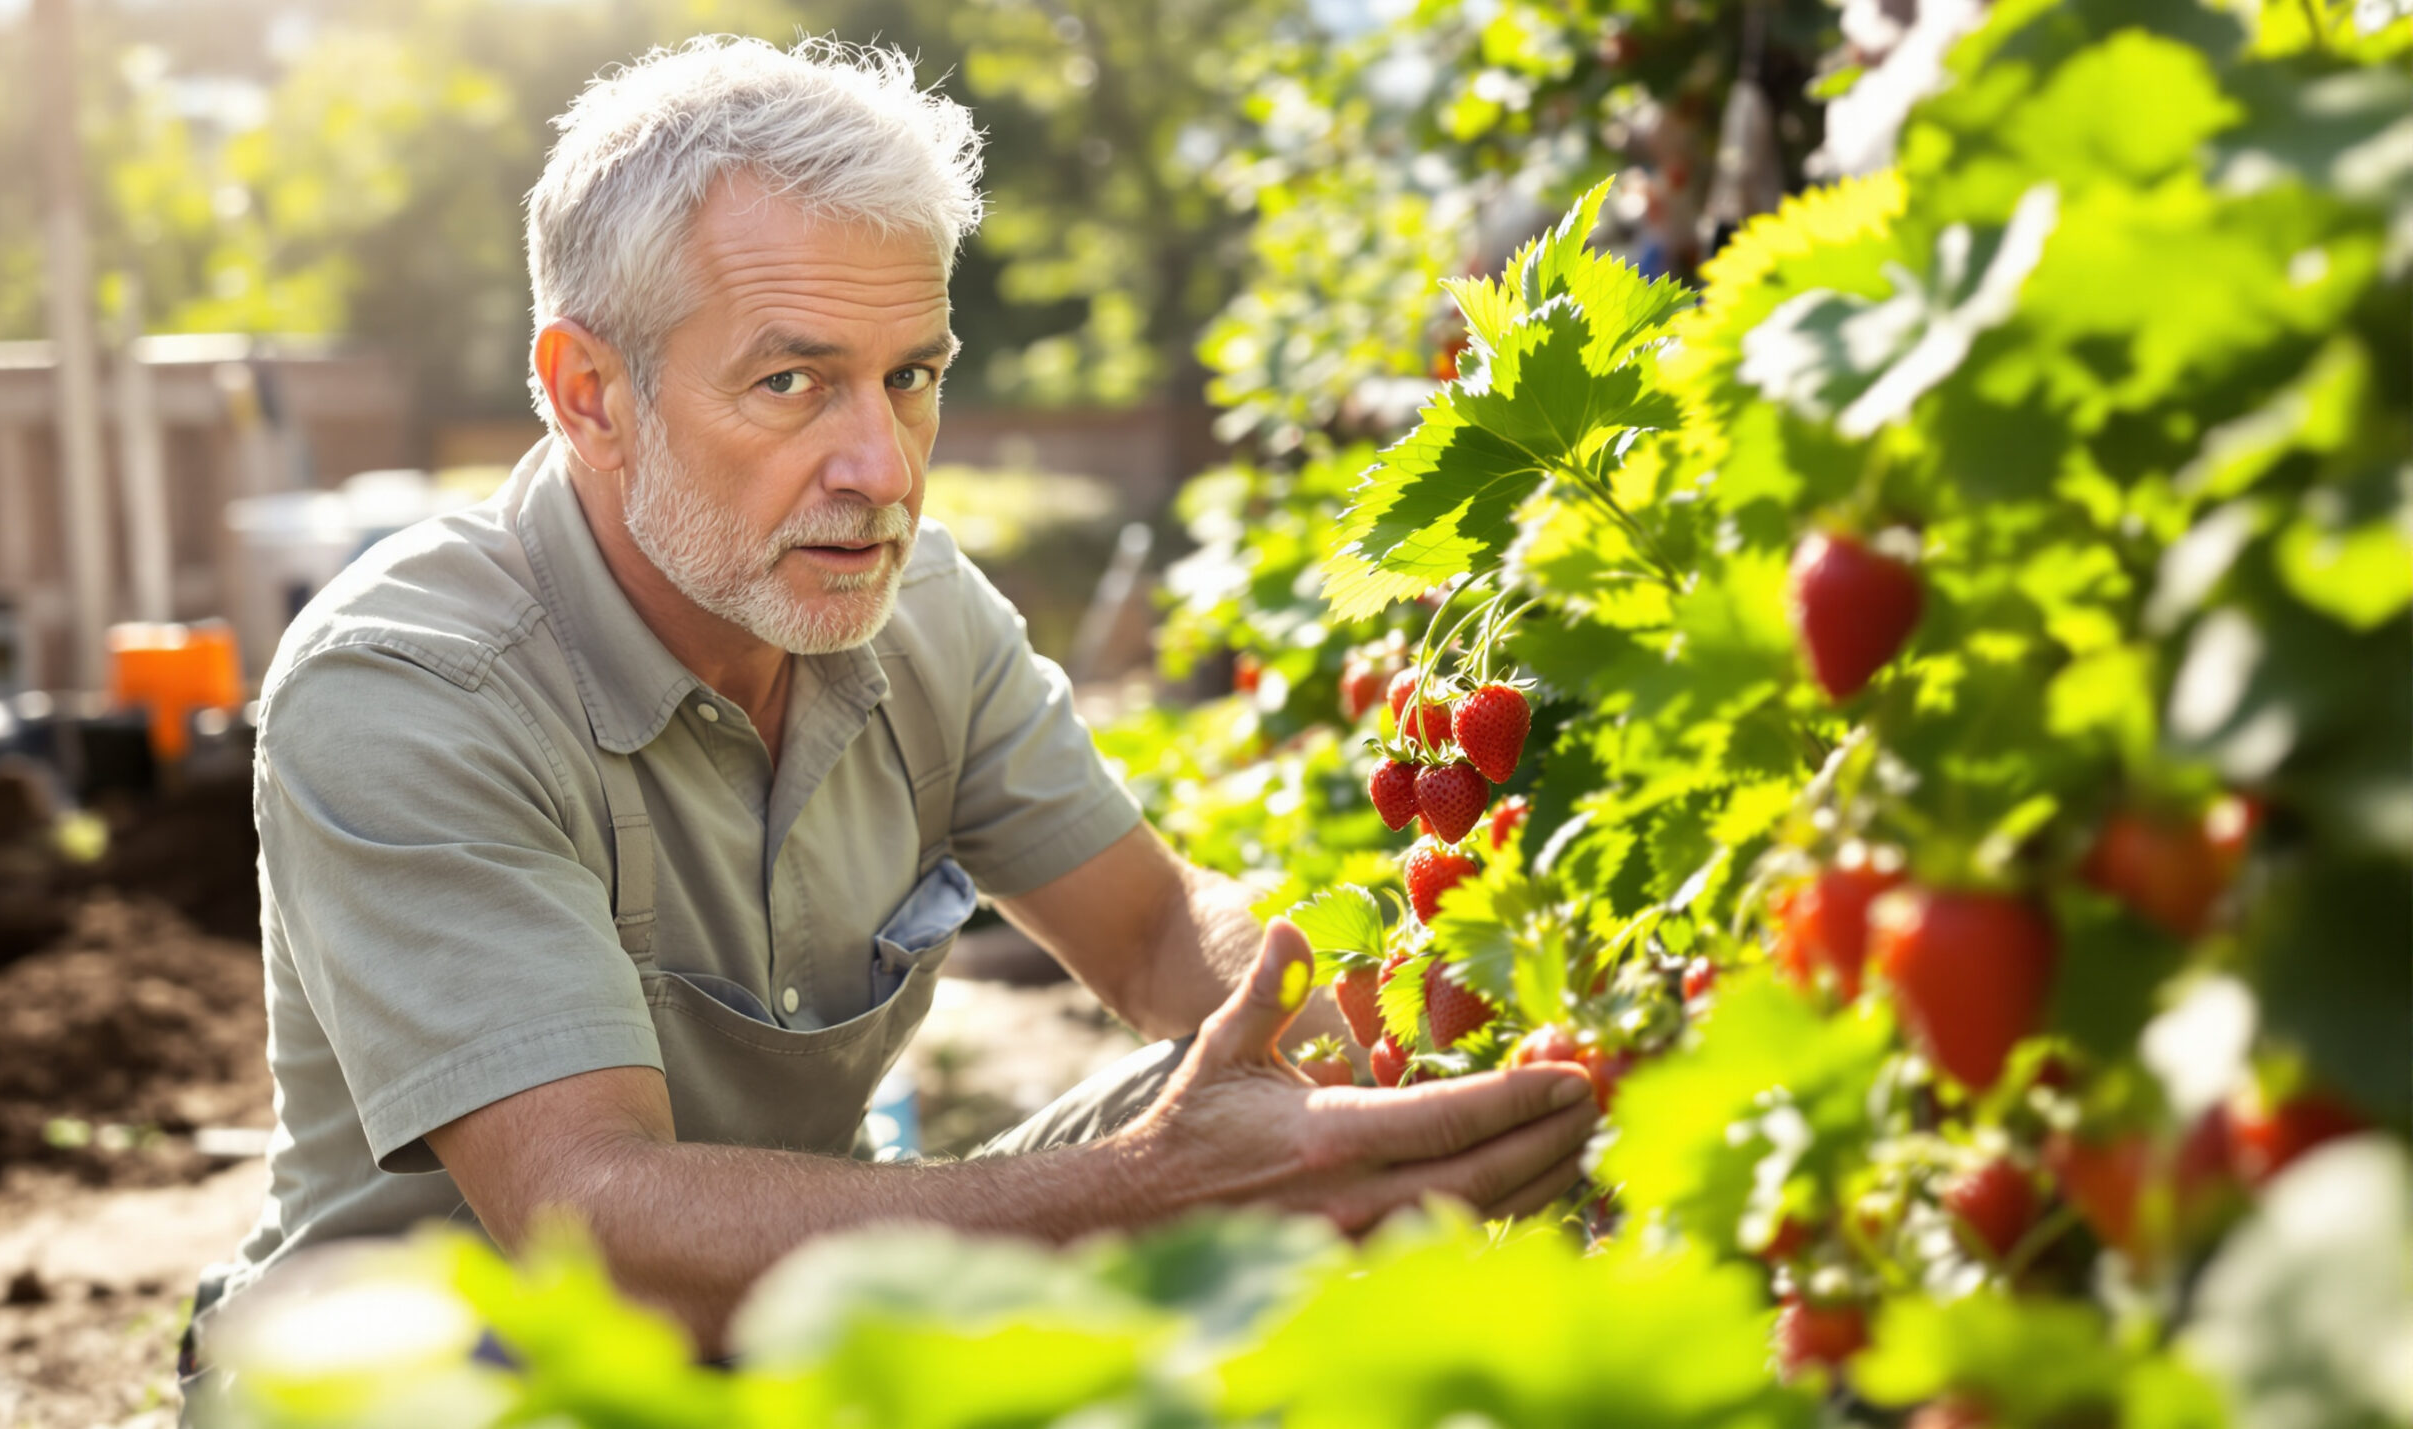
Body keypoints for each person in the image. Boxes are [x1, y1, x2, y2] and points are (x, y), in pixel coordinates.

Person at [182, 34, 1595, 1399]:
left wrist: (1402, 1050)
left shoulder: (914, 611)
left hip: (780, 1339)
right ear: (589, 396)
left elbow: (1156, 932)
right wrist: (1147, 1186)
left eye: (910, 376)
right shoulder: (412, 688)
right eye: (791, 382)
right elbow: (597, 1227)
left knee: (1254, 1132)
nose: (882, 468)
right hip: (432, 1375)